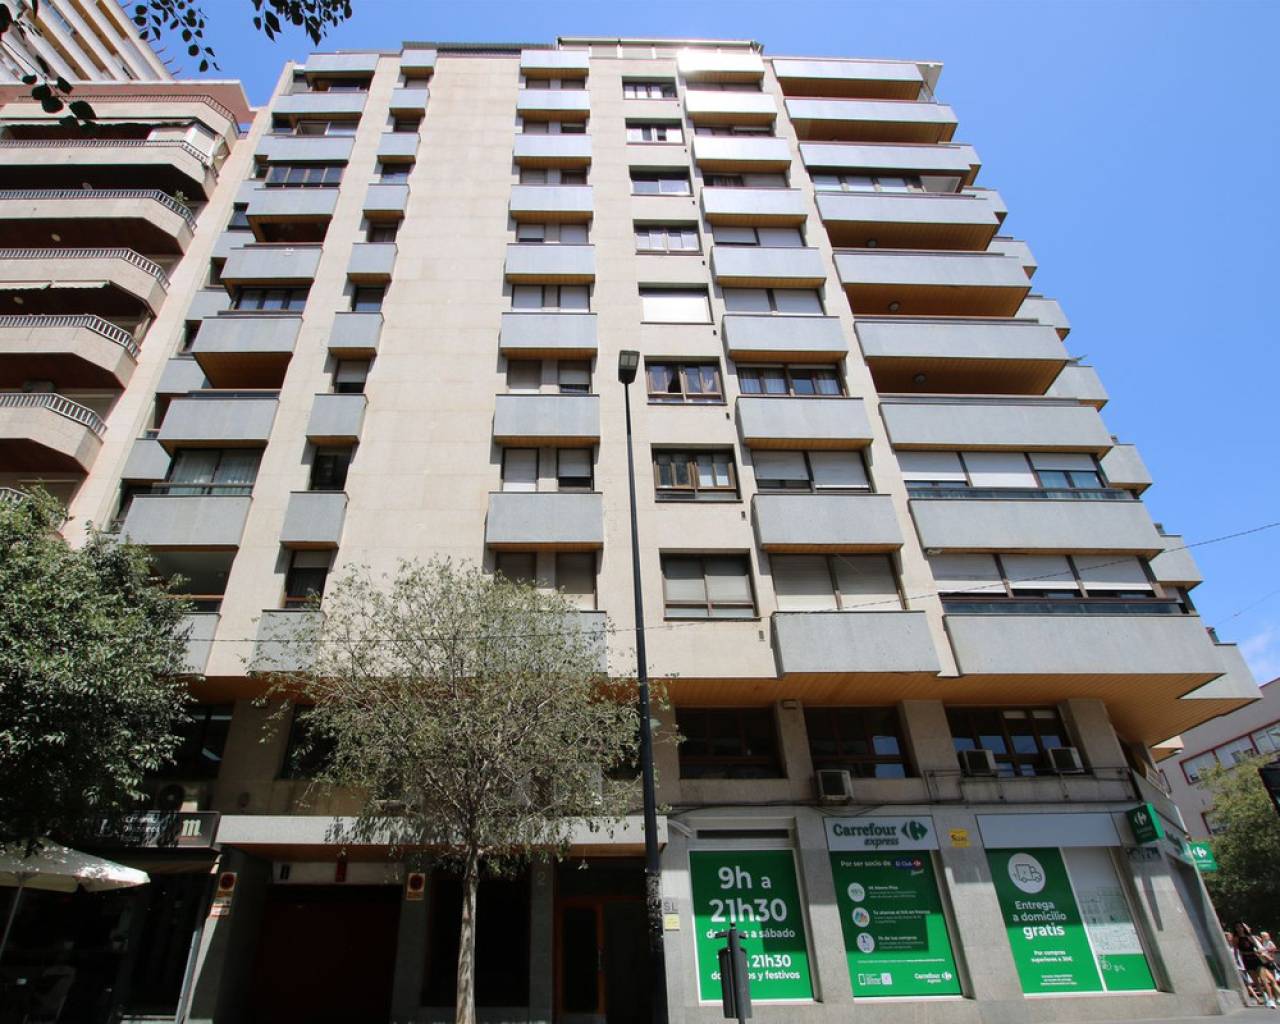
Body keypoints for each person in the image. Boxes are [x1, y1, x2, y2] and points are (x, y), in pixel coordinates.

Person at [1234, 923, 1280, 1009]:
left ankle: (1271, 999)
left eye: (1241, 927)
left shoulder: (1250, 937)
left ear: (1244, 928)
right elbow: (1236, 951)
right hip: (1246, 960)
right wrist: (1237, 961)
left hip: (1256, 959)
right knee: (1256, 981)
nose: (1239, 929)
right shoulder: (1236, 939)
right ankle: (1265, 996)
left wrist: (1262, 953)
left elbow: (1258, 948)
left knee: (1263, 979)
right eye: (1237, 927)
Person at [1226, 931, 1263, 1005]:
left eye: (1230, 936)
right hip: (1237, 967)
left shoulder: (1237, 945)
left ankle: (1257, 997)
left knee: (1251, 981)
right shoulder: (1227, 947)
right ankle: (1257, 998)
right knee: (1246, 983)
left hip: (1244, 965)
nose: (1229, 938)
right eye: (1228, 937)